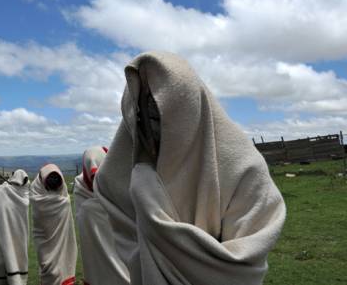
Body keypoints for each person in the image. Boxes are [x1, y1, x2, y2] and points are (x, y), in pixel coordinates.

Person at [94, 52, 287, 285]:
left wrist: (159, 228)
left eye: (161, 112)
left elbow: (242, 264)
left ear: (190, 108)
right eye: (142, 115)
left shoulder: (244, 169)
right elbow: (130, 246)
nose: (151, 123)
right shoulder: (118, 177)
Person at [74, 147, 130, 285]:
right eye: (94, 177)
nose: (97, 182)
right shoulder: (83, 198)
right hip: (98, 265)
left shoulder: (123, 190)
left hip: (125, 261)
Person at [30, 164, 77, 285]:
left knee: (52, 272)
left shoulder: (35, 195)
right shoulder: (63, 201)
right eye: (50, 179)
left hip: (57, 243)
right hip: (45, 242)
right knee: (51, 271)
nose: (53, 181)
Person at [0, 169, 30, 285]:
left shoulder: (23, 191)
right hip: (7, 229)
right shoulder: (6, 190)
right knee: (6, 254)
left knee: (16, 254)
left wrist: (4, 187)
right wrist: (4, 187)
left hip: (20, 229)